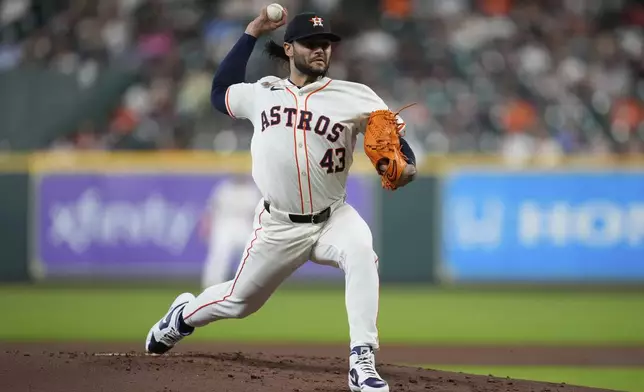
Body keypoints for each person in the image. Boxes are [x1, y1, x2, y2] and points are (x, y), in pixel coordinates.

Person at [145, 7, 417, 392]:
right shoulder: (263, 93)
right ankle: (182, 317)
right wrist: (252, 32)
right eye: (311, 44)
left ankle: (362, 360)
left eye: (326, 44)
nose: (321, 50)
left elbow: (401, 150)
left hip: (333, 217)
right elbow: (219, 91)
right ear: (289, 49)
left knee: (361, 252)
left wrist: (407, 169)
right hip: (278, 224)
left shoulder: (357, 97)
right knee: (239, 302)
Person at [199, 174, 262, 288]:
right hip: (224, 224)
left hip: (244, 225)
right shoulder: (224, 188)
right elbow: (211, 210)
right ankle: (211, 286)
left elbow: (258, 214)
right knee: (219, 255)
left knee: (253, 254)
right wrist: (206, 227)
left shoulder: (253, 190)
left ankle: (251, 286)